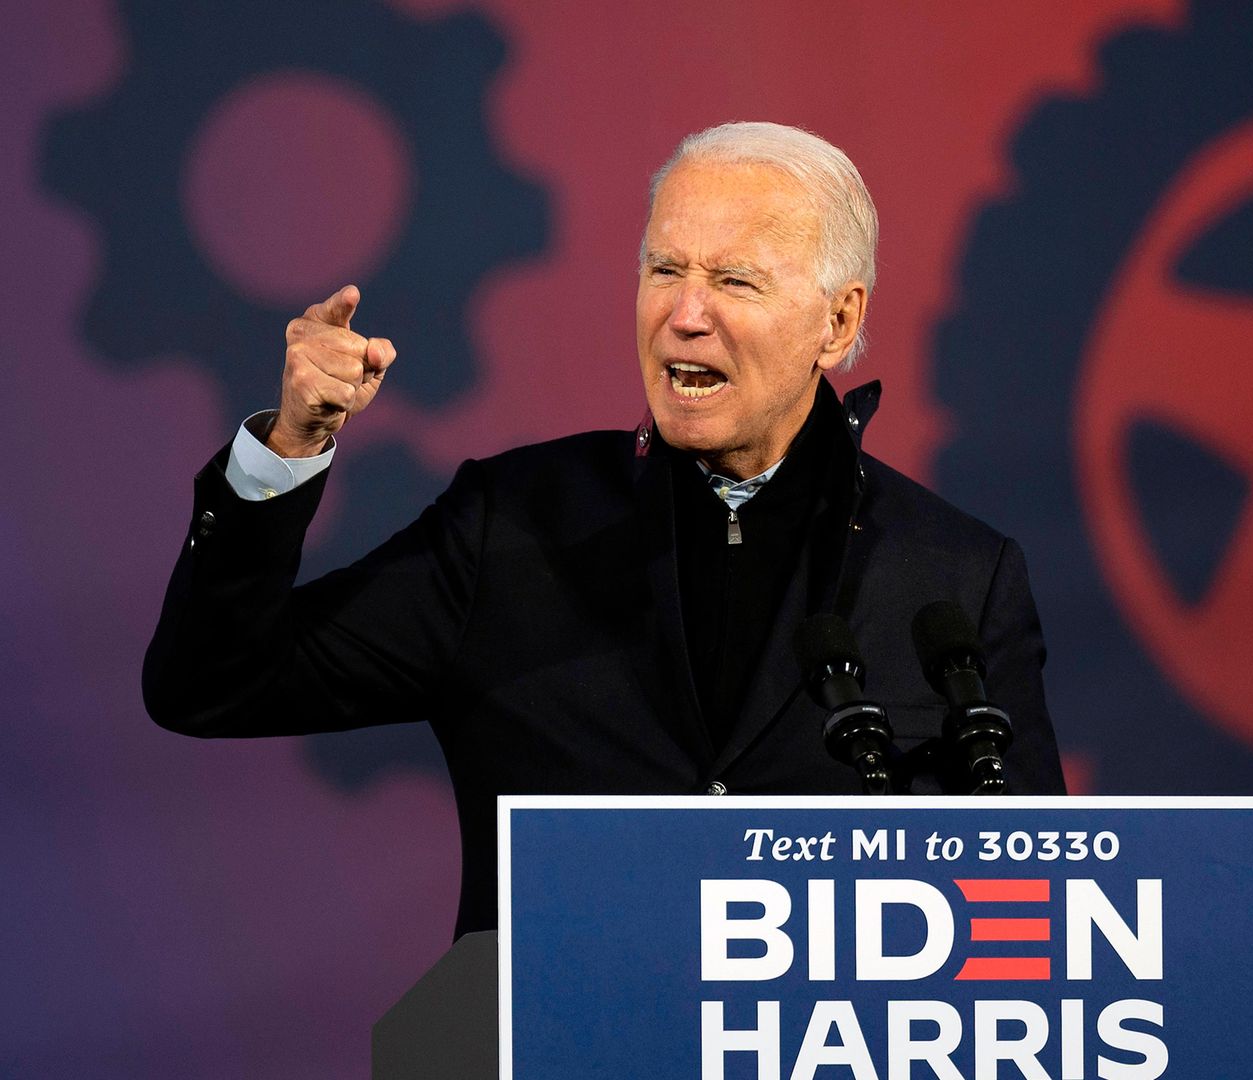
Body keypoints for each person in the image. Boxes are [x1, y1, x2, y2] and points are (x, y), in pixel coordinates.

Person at [144, 122, 1067, 937]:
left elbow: (1034, 914)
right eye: (664, 269)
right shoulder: (512, 525)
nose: (685, 315)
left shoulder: (955, 577)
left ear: (837, 320)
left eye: (734, 280)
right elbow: (213, 686)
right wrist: (287, 450)